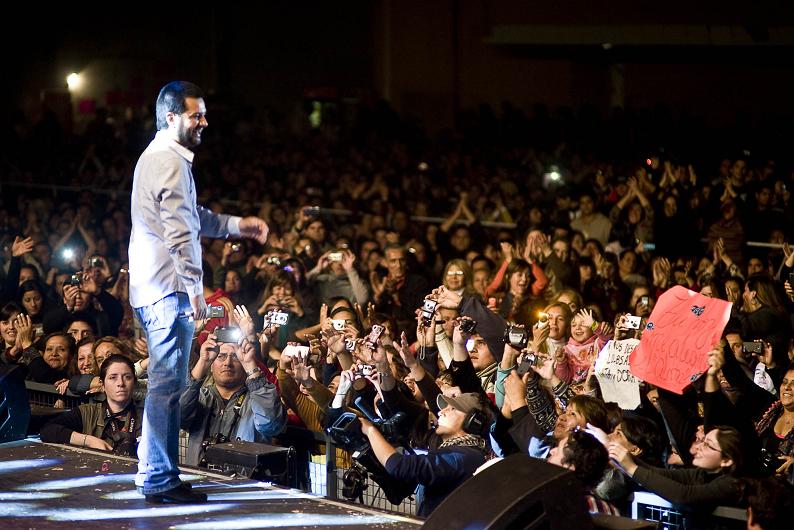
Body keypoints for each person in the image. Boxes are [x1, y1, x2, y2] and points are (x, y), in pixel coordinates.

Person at [128, 80, 268, 504]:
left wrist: (235, 225)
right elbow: (180, 234)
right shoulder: (169, 162)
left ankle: (154, 472)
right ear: (172, 117)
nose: (204, 122)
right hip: (169, 289)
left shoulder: (157, 157)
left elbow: (191, 217)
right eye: (196, 115)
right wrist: (195, 290)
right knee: (166, 386)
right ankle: (158, 477)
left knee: (165, 385)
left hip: (155, 287)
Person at [359, 391, 491, 517]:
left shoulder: (461, 456)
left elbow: (399, 466)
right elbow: (399, 489)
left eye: (452, 409)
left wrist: (370, 431)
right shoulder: (469, 453)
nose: (441, 412)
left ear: (473, 421)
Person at [180, 333, 286, 467]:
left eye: (235, 357)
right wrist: (203, 361)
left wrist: (250, 365)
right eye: (221, 356)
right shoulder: (201, 397)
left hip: (244, 479)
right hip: (200, 477)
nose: (227, 363)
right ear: (212, 365)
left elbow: (272, 425)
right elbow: (178, 417)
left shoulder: (256, 401)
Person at [40, 354, 142, 455]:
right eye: (113, 377)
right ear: (102, 384)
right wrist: (89, 440)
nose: (120, 383)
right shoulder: (88, 412)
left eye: (127, 377)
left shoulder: (146, 416)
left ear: (134, 382)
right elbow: (48, 430)